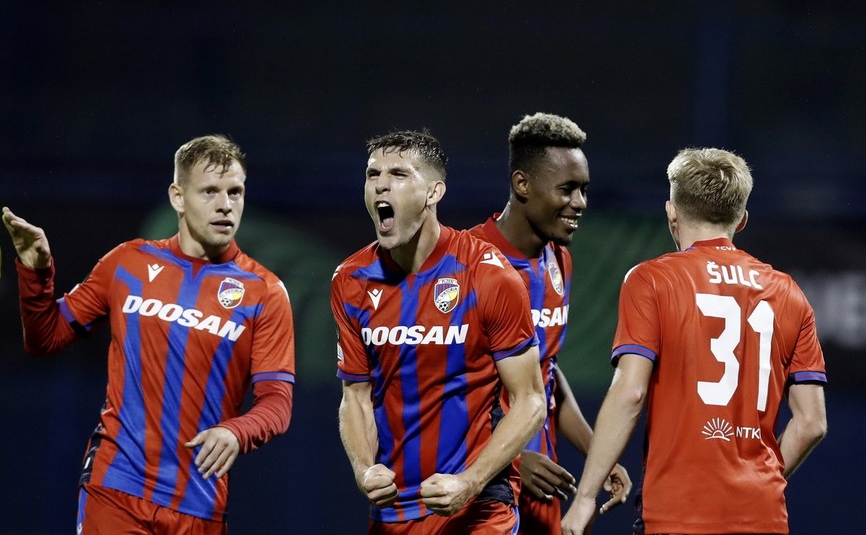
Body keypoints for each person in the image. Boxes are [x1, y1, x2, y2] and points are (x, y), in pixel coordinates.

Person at [2, 134, 296, 534]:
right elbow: (45, 339)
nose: (226, 204)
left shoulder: (265, 292)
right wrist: (36, 274)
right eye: (210, 191)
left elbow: (277, 403)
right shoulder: (127, 263)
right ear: (177, 196)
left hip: (200, 506)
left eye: (235, 192)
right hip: (115, 487)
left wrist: (236, 430)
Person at [561, 148, 828, 535]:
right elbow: (811, 422)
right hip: (764, 516)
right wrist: (756, 483)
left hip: (678, 514)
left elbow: (631, 393)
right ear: (742, 219)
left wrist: (585, 497)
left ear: (672, 212)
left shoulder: (651, 279)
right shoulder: (788, 292)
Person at [332, 129, 547, 534]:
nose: (381, 184)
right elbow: (355, 397)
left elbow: (530, 400)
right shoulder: (350, 280)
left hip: (478, 508)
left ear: (433, 193)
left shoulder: (488, 274)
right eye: (372, 173)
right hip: (394, 513)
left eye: (398, 174)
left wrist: (471, 481)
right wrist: (364, 468)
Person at [468, 112, 632, 535]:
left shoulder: (559, 260)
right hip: (481, 491)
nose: (580, 202)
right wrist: (514, 456)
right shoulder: (465, 265)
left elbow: (547, 374)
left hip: (543, 489)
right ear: (522, 185)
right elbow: (440, 394)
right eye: (567, 189)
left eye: (584, 190)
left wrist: (599, 455)